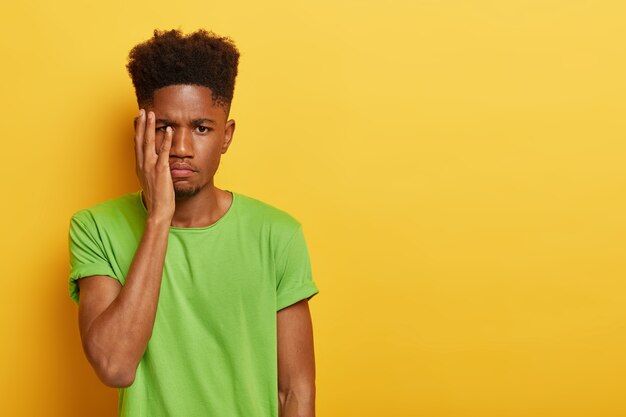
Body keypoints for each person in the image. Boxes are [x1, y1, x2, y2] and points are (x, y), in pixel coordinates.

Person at [67, 28, 319, 417]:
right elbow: (115, 366)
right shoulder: (95, 228)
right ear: (141, 131)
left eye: (201, 128)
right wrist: (159, 219)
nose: (181, 148)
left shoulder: (277, 234)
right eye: (164, 127)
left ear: (226, 135)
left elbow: (295, 392)